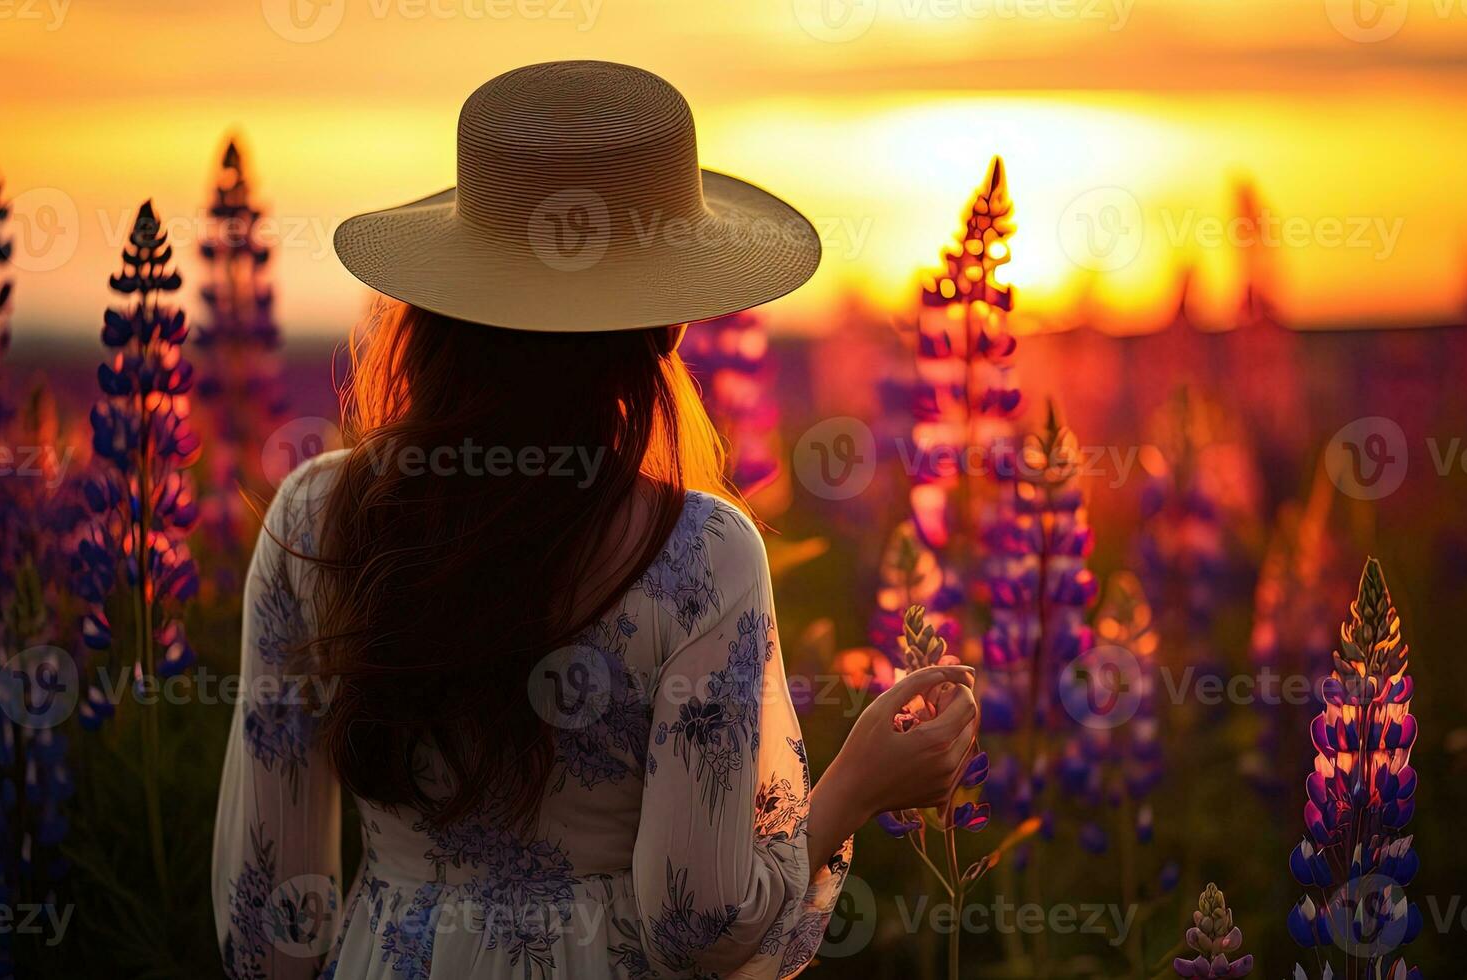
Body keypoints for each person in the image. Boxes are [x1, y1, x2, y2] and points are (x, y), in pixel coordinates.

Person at [212, 60, 979, 980]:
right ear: (669, 328)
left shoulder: (316, 517)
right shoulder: (699, 555)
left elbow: (265, 930)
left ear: (445, 292)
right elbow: (698, 925)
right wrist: (855, 786)